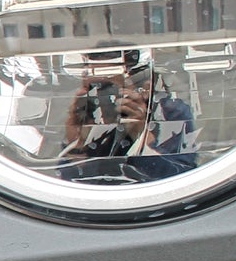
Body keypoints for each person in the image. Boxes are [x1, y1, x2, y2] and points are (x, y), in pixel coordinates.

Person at [58, 48, 199, 182]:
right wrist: (77, 143)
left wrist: (141, 137)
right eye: (93, 87)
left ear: (142, 86)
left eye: (108, 87)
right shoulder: (85, 117)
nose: (101, 96)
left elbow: (182, 180)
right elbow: (68, 184)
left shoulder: (169, 113)